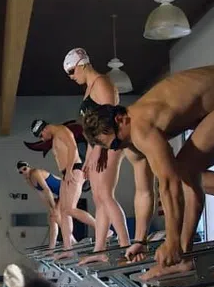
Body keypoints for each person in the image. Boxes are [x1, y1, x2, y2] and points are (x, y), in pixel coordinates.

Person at [80, 64, 214, 280]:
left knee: (184, 170)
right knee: (188, 171)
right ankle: (186, 256)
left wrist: (172, 242)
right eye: (113, 147)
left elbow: (169, 183)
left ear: (120, 119)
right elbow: (144, 192)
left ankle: (185, 253)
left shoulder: (140, 125)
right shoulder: (129, 140)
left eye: (117, 142)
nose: (119, 148)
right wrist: (140, 241)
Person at [64, 47, 131, 253]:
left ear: (82, 65)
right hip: (98, 147)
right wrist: (89, 155)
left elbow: (108, 120)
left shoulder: (101, 83)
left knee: (105, 195)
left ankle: (126, 245)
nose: (71, 77)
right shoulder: (90, 87)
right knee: (98, 199)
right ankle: (100, 249)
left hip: (107, 145)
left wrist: (99, 150)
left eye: (71, 71)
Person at [24, 120, 97, 255]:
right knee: (63, 212)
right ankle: (68, 248)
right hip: (66, 175)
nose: (42, 139)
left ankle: (102, 229)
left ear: (44, 130)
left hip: (74, 170)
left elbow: (73, 148)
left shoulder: (61, 130)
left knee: (70, 209)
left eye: (41, 136)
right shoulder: (56, 136)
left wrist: (69, 170)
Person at [16, 161, 63, 251]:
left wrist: (54, 207)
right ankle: (52, 248)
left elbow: (47, 190)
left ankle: (72, 241)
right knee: (52, 217)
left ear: (29, 167)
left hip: (65, 189)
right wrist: (50, 208)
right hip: (59, 194)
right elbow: (41, 195)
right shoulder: (28, 180)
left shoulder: (35, 172)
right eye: (21, 172)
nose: (24, 172)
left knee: (56, 215)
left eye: (25, 169)